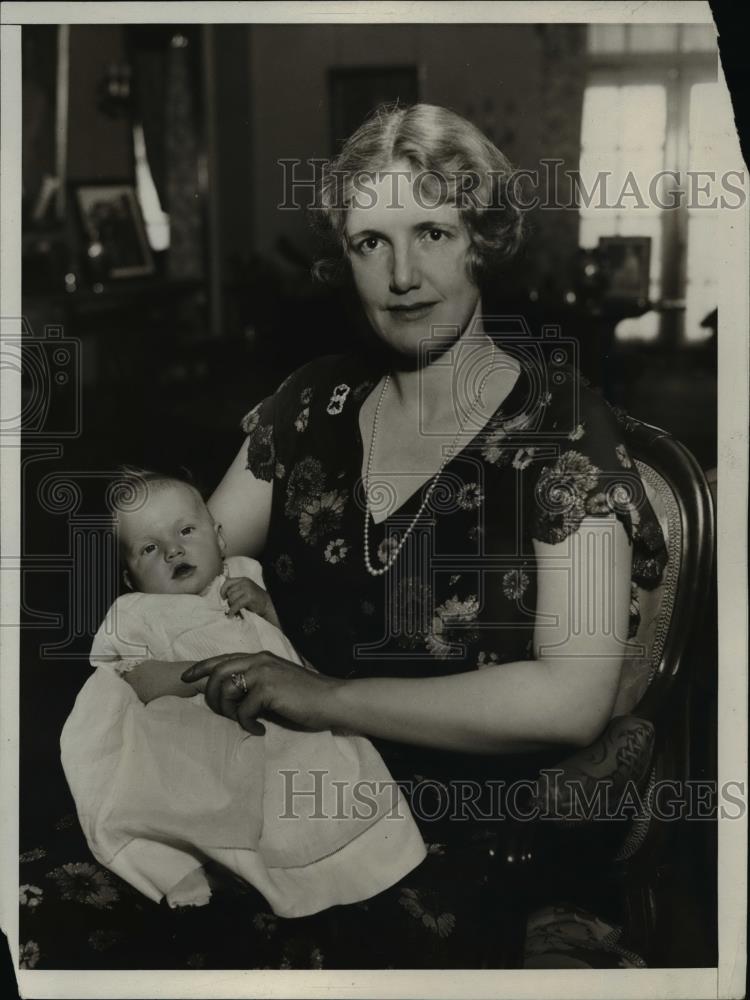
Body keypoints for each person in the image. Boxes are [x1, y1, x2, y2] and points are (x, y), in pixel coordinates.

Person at [188, 103, 667, 968]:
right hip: (269, 795)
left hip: (464, 839)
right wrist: (221, 595)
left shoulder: (563, 431)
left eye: (433, 233)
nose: (403, 275)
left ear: (481, 239)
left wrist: (326, 696)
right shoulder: (310, 405)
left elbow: (572, 699)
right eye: (372, 242)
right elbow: (177, 564)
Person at [60, 469, 426, 918]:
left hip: (279, 718)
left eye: (186, 531)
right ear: (131, 578)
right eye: (149, 548)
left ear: (219, 539)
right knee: (176, 781)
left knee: (321, 772)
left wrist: (268, 609)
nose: (173, 550)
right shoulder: (138, 612)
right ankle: (188, 863)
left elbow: (289, 651)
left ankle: (349, 860)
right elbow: (138, 680)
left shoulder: (246, 580)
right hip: (200, 725)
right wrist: (203, 677)